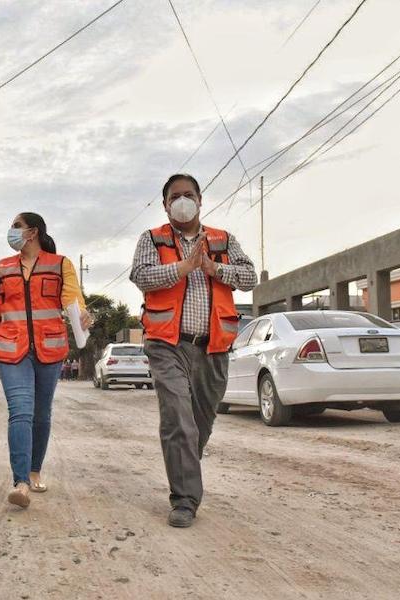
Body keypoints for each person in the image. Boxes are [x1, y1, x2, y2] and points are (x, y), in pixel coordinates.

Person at [130, 173, 257, 528]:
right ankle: (184, 500)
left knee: (200, 424)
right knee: (178, 420)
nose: (182, 200)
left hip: (214, 347)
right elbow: (140, 275)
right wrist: (182, 268)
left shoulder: (223, 240)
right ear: (166, 204)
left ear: (201, 200)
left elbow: (249, 278)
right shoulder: (152, 239)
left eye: (189, 194)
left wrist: (213, 268)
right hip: (167, 344)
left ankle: (185, 471)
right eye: (175, 196)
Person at [0, 213, 92, 508]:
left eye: (16, 226)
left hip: (48, 349)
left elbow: (72, 300)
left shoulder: (60, 264)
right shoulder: (1, 268)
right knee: (21, 411)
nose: (11, 231)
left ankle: (35, 469)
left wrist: (83, 315)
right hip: (11, 349)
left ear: (33, 232)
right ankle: (21, 482)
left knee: (41, 414)